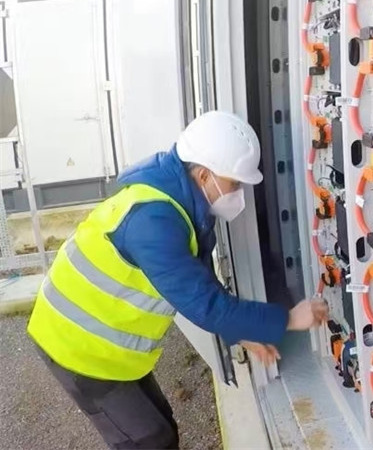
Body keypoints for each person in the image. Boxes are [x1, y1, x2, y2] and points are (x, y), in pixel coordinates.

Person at [26, 111, 328, 449]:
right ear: (203, 175)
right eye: (234, 183)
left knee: (160, 425)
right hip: (75, 346)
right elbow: (207, 306)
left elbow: (201, 285)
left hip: (103, 346)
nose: (238, 193)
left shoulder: (178, 202)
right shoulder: (153, 223)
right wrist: (289, 318)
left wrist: (242, 334)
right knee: (148, 439)